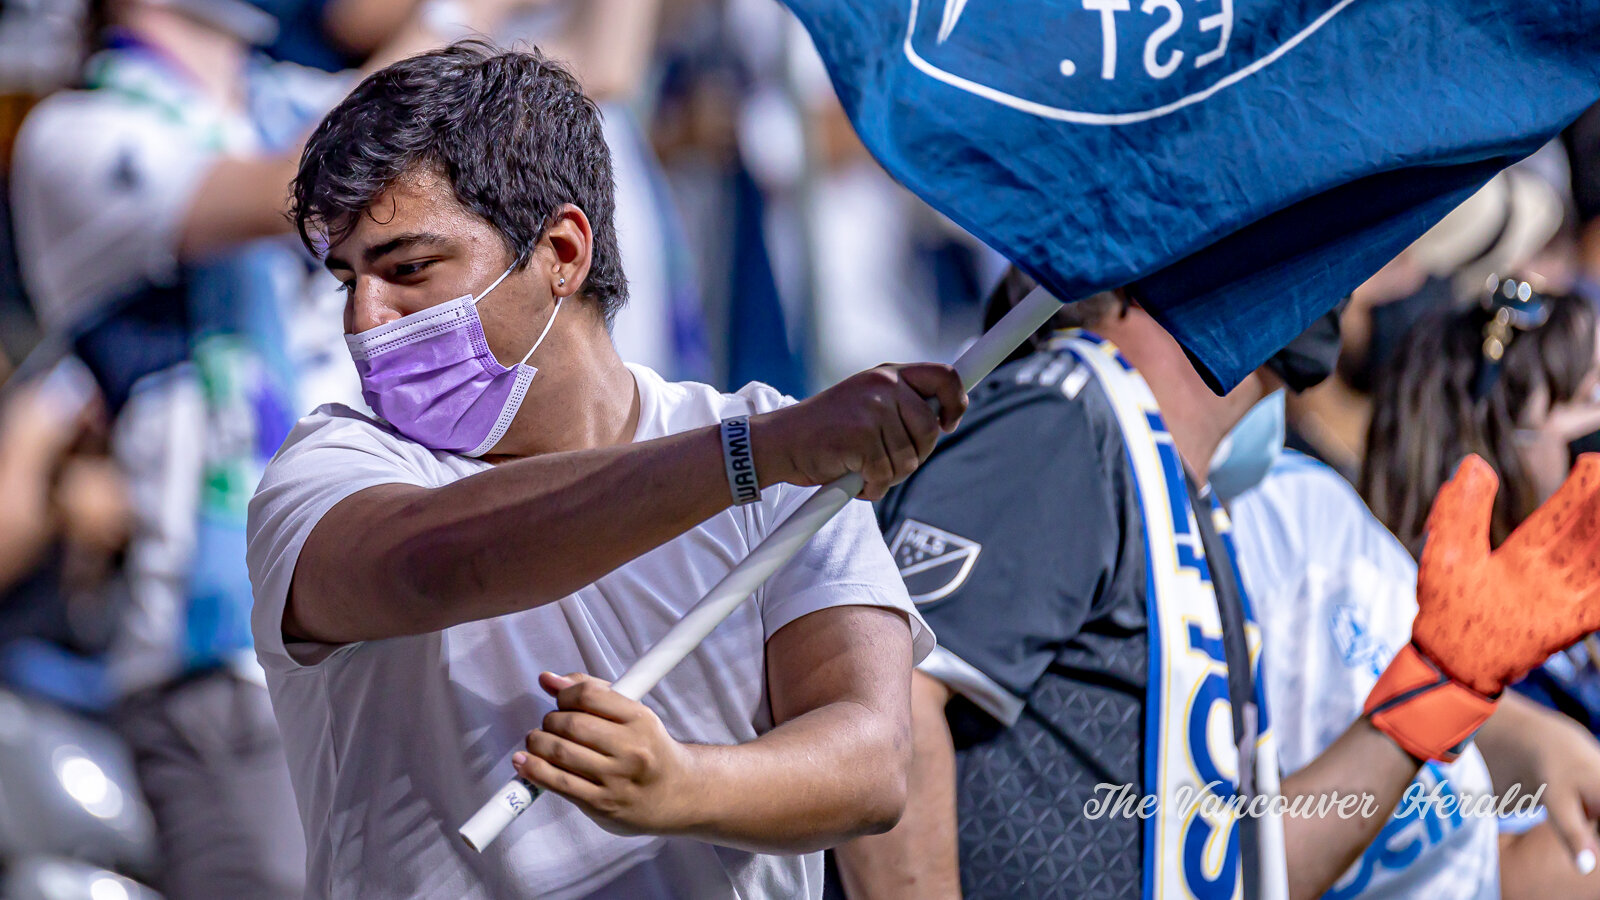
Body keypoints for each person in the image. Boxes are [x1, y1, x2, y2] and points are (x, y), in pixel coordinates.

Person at [245, 42, 965, 899]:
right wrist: (756, 456)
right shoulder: (329, 465)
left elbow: (873, 761)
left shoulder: (773, 445)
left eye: (408, 270)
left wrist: (682, 786)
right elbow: (437, 566)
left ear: (562, 251)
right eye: (345, 281)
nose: (367, 320)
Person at [836, 266, 1600, 899]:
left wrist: (1437, 686)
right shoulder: (1068, 417)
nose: (1346, 278)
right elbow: (892, 706)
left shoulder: (1190, 495)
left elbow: (1240, 874)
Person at [9, 1, 529, 895]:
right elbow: (308, 176)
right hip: (222, 671)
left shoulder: (286, 97)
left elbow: (582, 83)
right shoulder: (76, 132)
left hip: (391, 641)